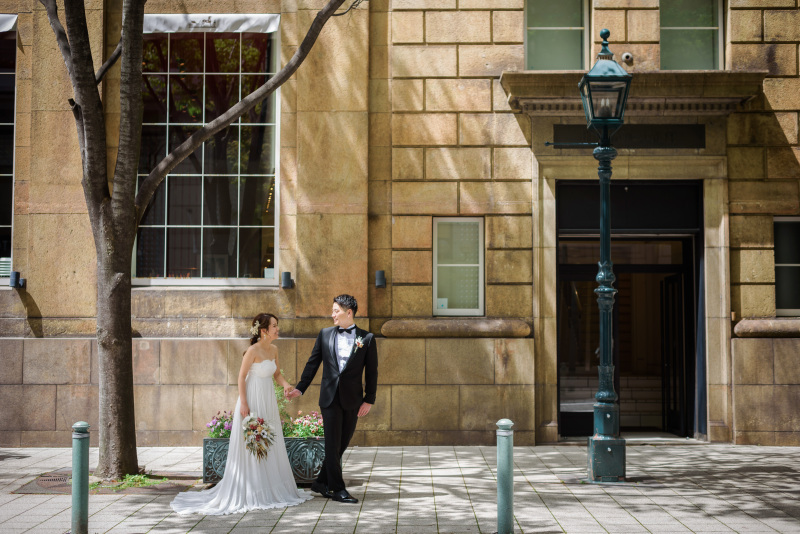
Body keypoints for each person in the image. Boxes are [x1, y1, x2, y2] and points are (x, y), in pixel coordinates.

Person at [170, 313, 312, 515]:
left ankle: (269, 487)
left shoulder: (274, 349)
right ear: (263, 330)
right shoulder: (252, 351)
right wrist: (244, 402)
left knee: (268, 441)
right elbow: (241, 376)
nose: (277, 329)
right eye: (274, 326)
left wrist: (287, 386)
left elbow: (277, 374)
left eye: (277, 325)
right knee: (252, 443)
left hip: (268, 400)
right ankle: (251, 489)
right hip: (252, 399)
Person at [287, 294, 378, 504]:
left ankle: (320, 482)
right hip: (329, 399)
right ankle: (338, 489)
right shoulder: (325, 334)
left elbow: (372, 372)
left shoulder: (367, 338)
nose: (332, 315)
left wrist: (369, 399)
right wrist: (300, 388)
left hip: (353, 400)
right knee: (332, 444)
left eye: (336, 311)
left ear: (349, 312)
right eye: (332, 310)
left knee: (341, 444)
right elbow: (312, 364)